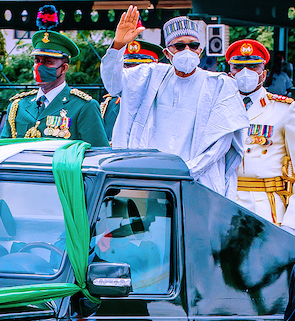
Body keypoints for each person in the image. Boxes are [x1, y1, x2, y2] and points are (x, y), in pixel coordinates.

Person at [101, 10, 247, 198]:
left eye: (193, 45)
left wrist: (186, 171)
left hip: (199, 181)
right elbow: (113, 84)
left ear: (200, 51)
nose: (187, 50)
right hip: (151, 179)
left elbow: (221, 143)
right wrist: (118, 45)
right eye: (179, 46)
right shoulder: (150, 76)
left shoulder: (220, 85)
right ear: (167, 53)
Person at [227, 39, 295, 235]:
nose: (245, 73)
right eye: (238, 67)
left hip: (267, 207)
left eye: (253, 67)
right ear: (230, 73)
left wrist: (292, 222)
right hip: (225, 202)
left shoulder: (285, 109)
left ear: (264, 73)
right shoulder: (219, 107)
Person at [1, 15, 108, 147]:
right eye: (37, 61)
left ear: (63, 68)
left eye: (48, 62)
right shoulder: (19, 106)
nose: (39, 67)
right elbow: (2, 149)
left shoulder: (84, 107)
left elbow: (97, 153)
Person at [100, 39, 162, 140]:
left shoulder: (163, 101)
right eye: (127, 67)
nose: (132, 73)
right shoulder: (110, 103)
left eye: (140, 68)